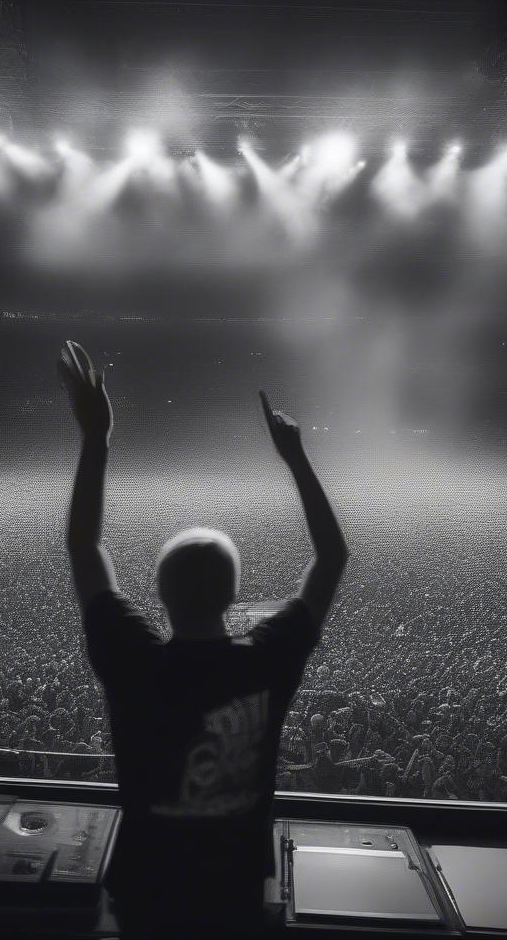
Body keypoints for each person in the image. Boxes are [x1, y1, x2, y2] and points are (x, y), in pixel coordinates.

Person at [58, 340, 348, 937]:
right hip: (236, 892)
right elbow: (332, 557)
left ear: (159, 595)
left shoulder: (132, 659)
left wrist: (96, 438)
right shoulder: (268, 659)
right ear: (234, 597)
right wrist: (294, 457)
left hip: (147, 889)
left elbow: (85, 549)